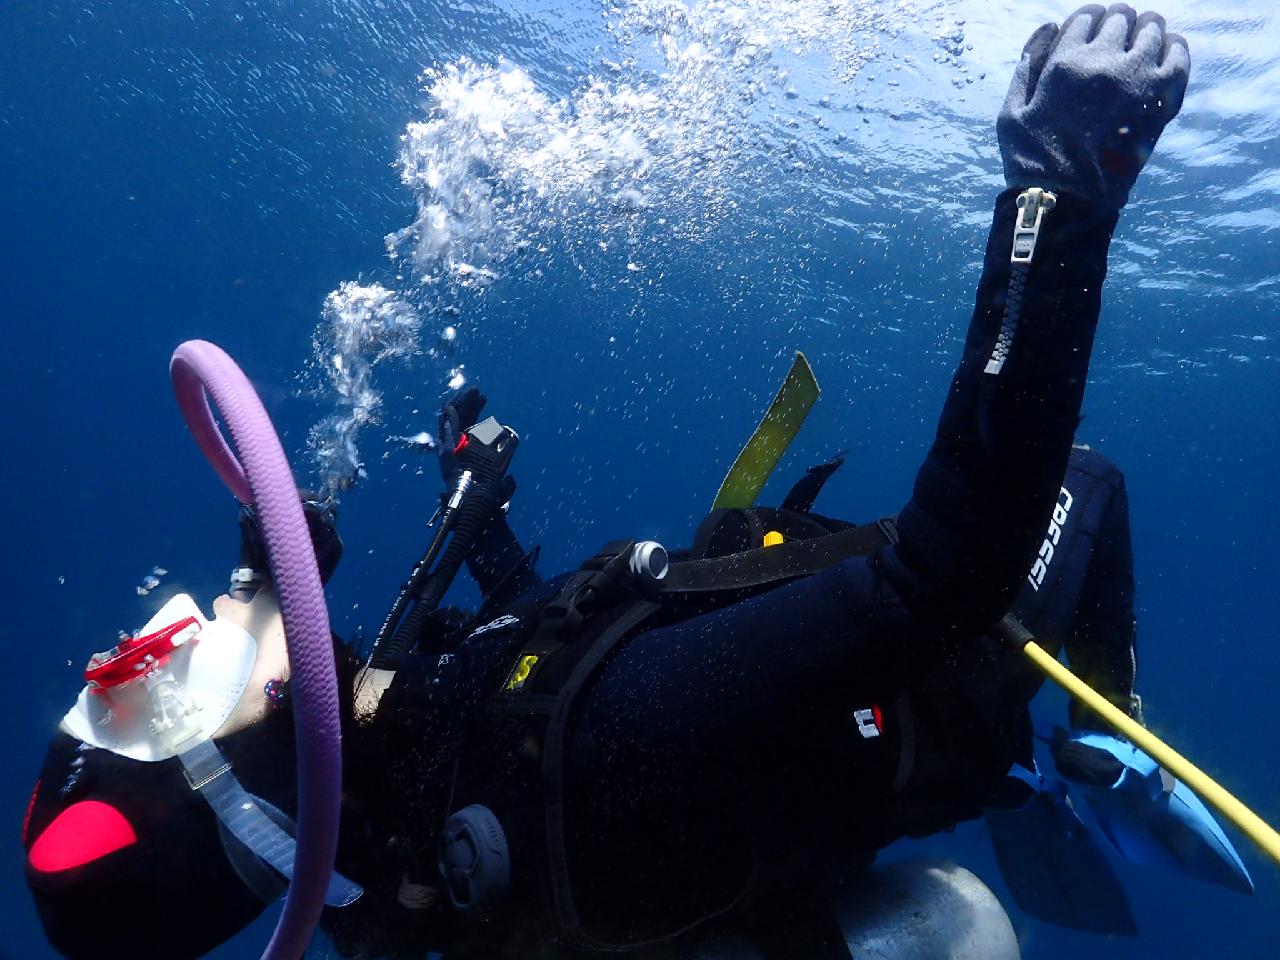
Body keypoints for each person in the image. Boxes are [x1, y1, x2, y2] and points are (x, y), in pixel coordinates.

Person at [22, 6, 1195, 960]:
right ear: (236, 788)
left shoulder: (404, 803)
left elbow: (534, 644)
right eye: (148, 687)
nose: (173, 630)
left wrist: (477, 526)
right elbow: (946, 569)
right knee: (1084, 481)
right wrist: (1057, 200)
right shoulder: (598, 751)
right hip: (942, 668)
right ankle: (1103, 731)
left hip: (754, 671)